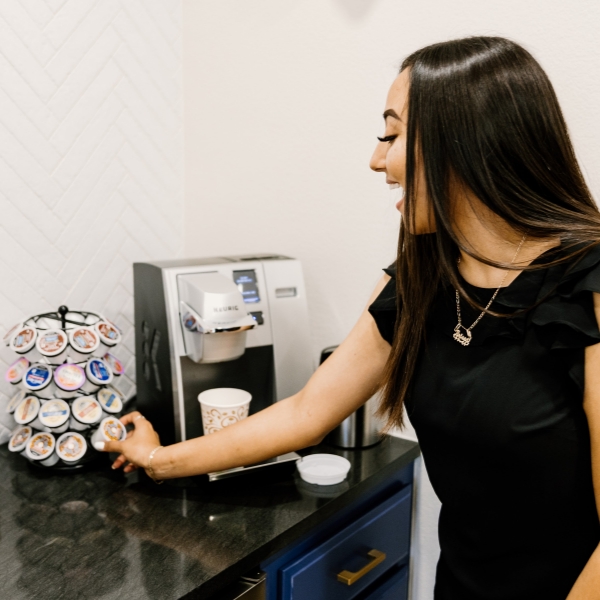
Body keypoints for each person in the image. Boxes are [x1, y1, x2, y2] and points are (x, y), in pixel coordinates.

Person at [99, 37, 600, 599]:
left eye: (391, 134)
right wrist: (159, 460)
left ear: (466, 140)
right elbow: (307, 413)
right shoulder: (420, 279)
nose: (375, 159)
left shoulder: (588, 288)